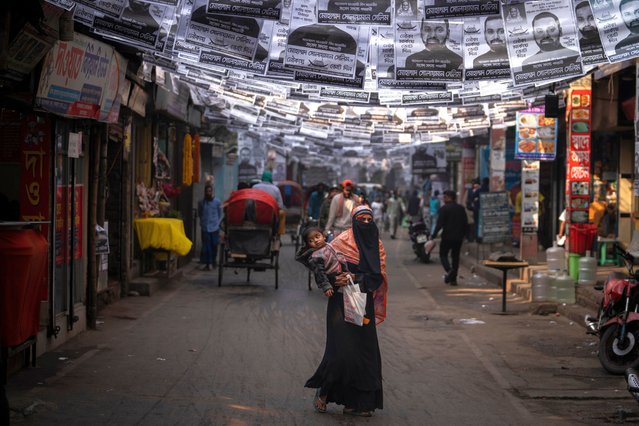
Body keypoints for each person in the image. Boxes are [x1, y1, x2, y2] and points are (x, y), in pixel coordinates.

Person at [305, 205, 387, 417]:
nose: (366, 224)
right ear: (353, 221)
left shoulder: (376, 245)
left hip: (362, 303)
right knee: (341, 351)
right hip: (340, 303)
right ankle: (324, 391)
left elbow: (377, 277)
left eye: (370, 220)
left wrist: (355, 278)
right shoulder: (340, 241)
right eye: (362, 220)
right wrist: (334, 279)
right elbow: (321, 265)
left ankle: (361, 404)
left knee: (364, 352)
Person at [432, 190, 468, 286]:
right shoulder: (461, 208)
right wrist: (466, 235)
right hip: (458, 237)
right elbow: (465, 223)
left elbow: (439, 224)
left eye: (445, 197)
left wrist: (433, 235)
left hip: (447, 236)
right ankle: (453, 279)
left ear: (449, 197)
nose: (443, 199)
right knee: (455, 257)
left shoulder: (444, 209)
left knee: (443, 255)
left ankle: (449, 271)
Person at [295, 226, 343, 295]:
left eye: (317, 237)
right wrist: (326, 286)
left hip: (340, 275)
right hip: (331, 279)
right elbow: (320, 273)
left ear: (324, 237)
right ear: (308, 245)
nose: (316, 241)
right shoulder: (316, 256)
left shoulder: (329, 245)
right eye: (311, 241)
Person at [197, 184, 222, 271]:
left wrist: (217, 223)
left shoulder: (217, 202)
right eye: (207, 191)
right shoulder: (201, 202)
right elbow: (200, 213)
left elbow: (219, 213)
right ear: (205, 192)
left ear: (212, 192)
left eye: (210, 191)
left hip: (214, 227)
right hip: (205, 227)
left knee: (214, 245)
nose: (208, 193)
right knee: (206, 246)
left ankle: (213, 261)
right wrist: (203, 222)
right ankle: (208, 263)